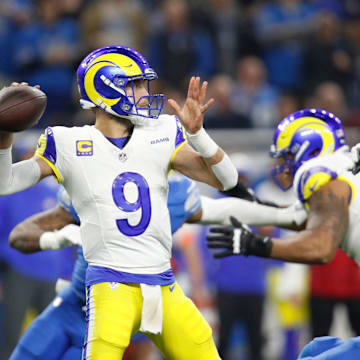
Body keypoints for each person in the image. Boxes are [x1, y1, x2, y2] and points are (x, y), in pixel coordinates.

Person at [8, 173, 307, 360]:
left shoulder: (174, 190)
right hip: (81, 303)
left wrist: (288, 215)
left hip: (149, 300)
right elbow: (20, 236)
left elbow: (223, 209)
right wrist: (60, 237)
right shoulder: (92, 177)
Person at [207, 107, 360, 358]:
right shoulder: (343, 172)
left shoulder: (322, 176)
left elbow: (321, 248)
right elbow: (286, 215)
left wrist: (255, 245)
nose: (283, 167)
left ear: (310, 150)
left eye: (287, 156)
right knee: (316, 349)